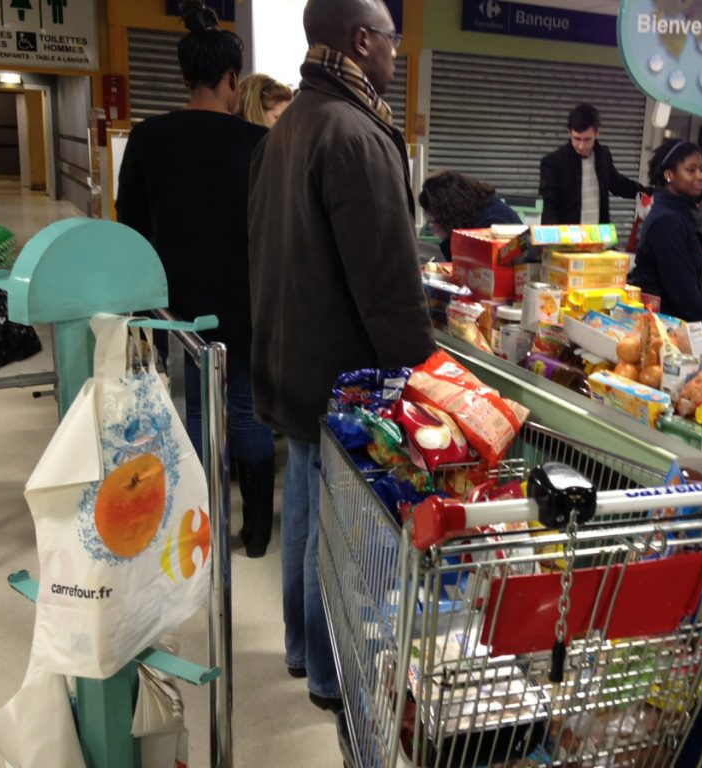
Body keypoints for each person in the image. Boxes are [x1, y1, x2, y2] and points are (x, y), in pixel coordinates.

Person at [248, 0, 436, 712]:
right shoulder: (354, 133)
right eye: (391, 39)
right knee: (344, 531)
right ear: (361, 41)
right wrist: (426, 378)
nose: (396, 52)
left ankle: (302, 649)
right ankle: (331, 675)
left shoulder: (286, 128)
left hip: (291, 358)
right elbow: (388, 281)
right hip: (344, 381)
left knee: (304, 508)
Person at [116, 1, 277, 558]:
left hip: (177, 305)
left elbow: (132, 227)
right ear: (232, 78)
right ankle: (257, 532)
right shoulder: (258, 144)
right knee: (249, 413)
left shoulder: (148, 138)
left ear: (185, 77)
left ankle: (201, 528)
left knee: (195, 414)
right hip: (247, 301)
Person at [627, 139, 702, 329]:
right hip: (666, 329)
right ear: (669, 175)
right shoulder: (666, 221)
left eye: (701, 169)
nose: (701, 176)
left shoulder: (680, 213)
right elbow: (682, 288)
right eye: (691, 170)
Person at [539, 103, 647, 225]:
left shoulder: (603, 156)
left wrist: (649, 192)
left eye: (587, 139)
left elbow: (618, 184)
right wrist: (555, 234)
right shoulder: (553, 163)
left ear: (597, 133)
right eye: (577, 139)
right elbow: (548, 206)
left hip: (599, 233)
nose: (581, 146)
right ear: (569, 133)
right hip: (568, 234)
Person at [418, 171, 522, 260]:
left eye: (434, 221)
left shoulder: (491, 222)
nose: (433, 229)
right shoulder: (476, 210)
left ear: (448, 213)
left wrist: (446, 235)